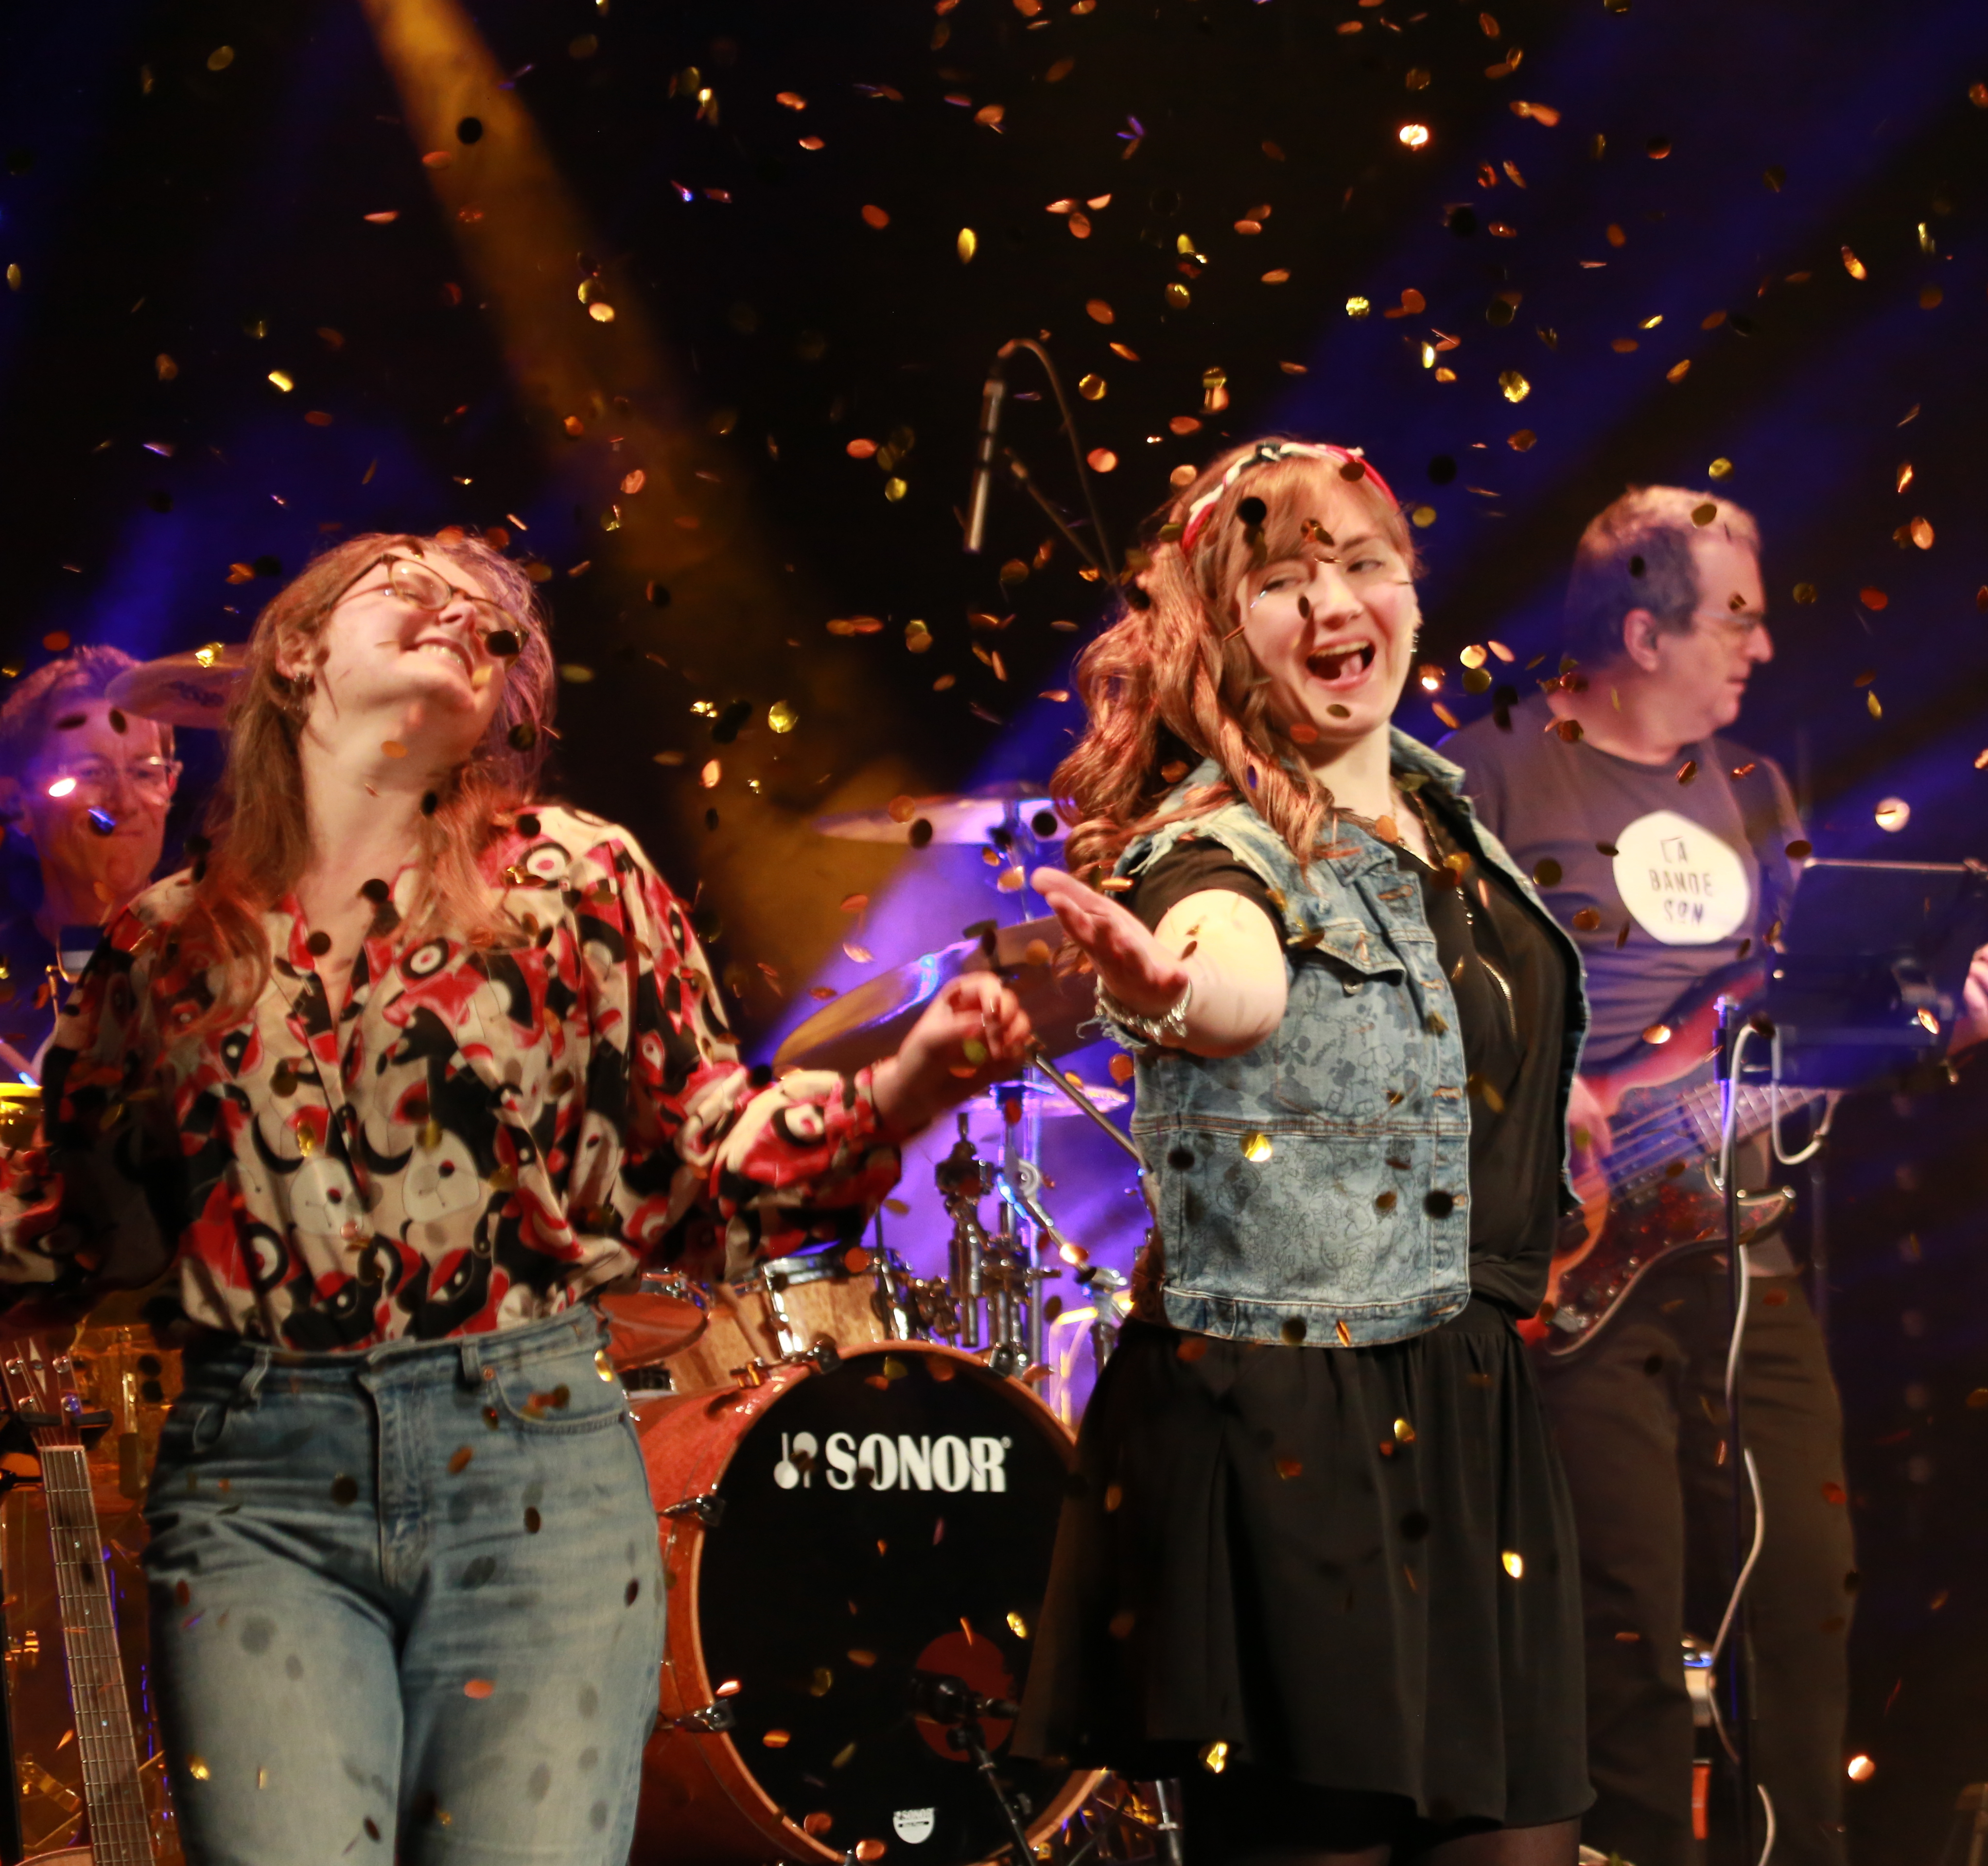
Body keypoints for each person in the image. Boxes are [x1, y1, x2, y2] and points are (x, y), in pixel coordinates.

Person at [0, 531, 1032, 1865]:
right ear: (301, 654)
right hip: (260, 1487)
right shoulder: (172, 939)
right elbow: (62, 1228)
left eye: (486, 618)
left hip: (533, 1468)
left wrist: (901, 1089)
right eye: (401, 580)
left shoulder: (579, 883)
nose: (453, 604)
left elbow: (715, 1147)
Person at [1443, 485, 1988, 1866]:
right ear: (1642, 634)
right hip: (1570, 1259)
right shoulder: (1485, 774)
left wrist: (1936, 1028)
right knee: (1626, 1620)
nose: (1763, 649)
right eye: (1739, 619)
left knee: (1804, 1598)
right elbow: (1421, 1003)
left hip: (1737, 1248)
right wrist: (1543, 1105)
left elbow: (1792, 1036)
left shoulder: (1759, 793)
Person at [1015, 438, 1592, 1866]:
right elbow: (1233, 976)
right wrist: (1167, 990)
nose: (1335, 604)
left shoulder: (1448, 811)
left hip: (1469, 1403)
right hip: (1298, 1419)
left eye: (1363, 565)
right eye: (1284, 580)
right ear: (1222, 629)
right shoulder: (1211, 840)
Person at [0, 645, 181, 1073]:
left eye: (145, 772)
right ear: (16, 802)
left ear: (170, 786)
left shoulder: (228, 959)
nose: (124, 803)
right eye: (90, 772)